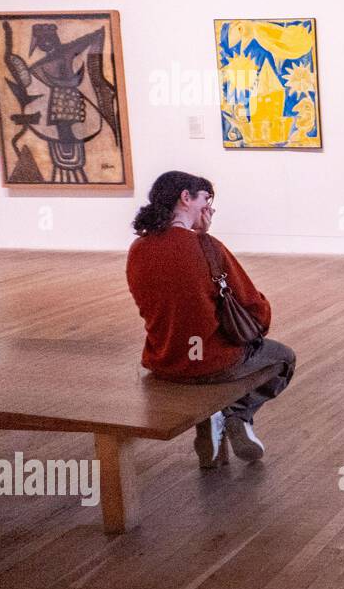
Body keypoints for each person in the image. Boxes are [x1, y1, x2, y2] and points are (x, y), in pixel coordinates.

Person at [126, 171, 296, 468]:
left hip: (163, 362)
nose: (209, 209)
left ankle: (213, 421)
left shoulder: (137, 250)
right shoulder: (206, 247)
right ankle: (237, 415)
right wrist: (203, 236)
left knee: (205, 360)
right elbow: (255, 308)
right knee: (283, 359)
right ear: (186, 197)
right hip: (213, 362)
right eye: (206, 199)